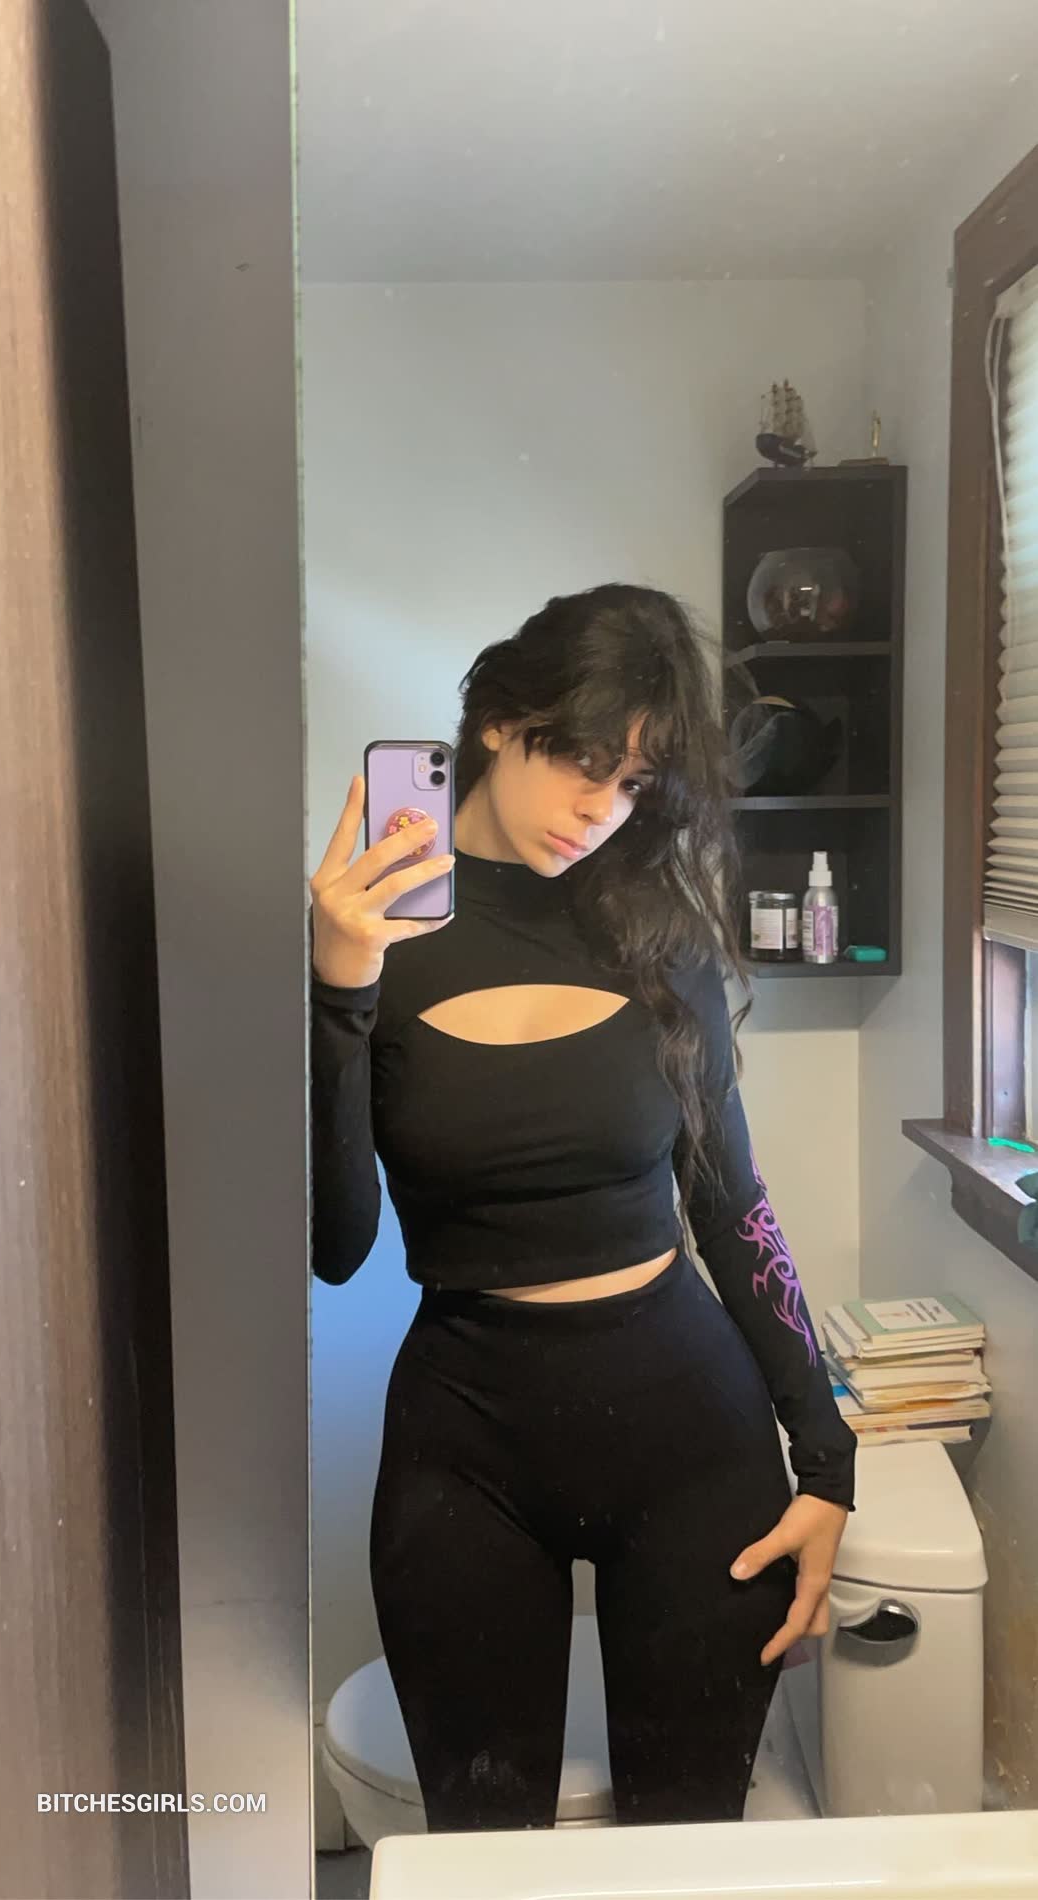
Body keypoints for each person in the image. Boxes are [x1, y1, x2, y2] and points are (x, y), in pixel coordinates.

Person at [309, 583, 855, 1833]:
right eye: (584, 762)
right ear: (501, 720)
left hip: (693, 1438)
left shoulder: (656, 931)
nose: (600, 810)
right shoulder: (372, 932)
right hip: (466, 1445)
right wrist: (338, 990)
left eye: (634, 785)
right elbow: (339, 1247)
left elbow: (732, 1206)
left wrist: (830, 1464)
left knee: (684, 1847)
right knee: (484, 1852)